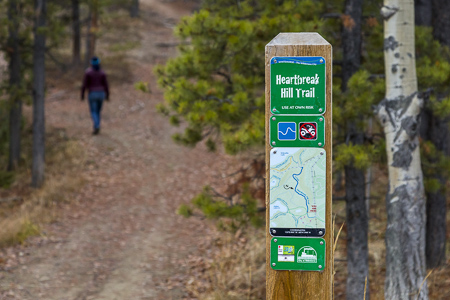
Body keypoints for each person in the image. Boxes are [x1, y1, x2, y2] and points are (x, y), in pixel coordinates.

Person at [81, 56, 110, 135]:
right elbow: (106, 85)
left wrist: (82, 94)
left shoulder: (88, 72)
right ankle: (97, 125)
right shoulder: (102, 73)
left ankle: (96, 125)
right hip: (101, 94)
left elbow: (84, 85)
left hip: (92, 94)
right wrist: (107, 95)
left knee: (94, 111)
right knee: (98, 111)